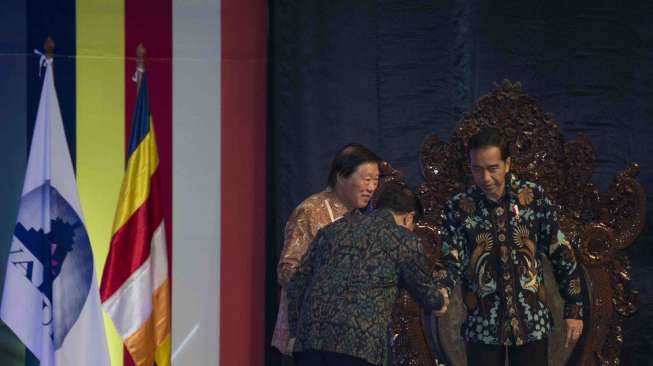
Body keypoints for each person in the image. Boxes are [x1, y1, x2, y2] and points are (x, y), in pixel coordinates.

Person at [437, 128, 584, 366]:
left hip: (531, 320)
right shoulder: (459, 207)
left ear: (507, 164)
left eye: (492, 168)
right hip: (483, 322)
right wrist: (441, 288)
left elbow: (561, 252)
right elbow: (449, 257)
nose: (485, 178)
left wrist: (574, 309)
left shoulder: (532, 197)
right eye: (477, 169)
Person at [287, 183, 450, 366]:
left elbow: (296, 282)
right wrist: (440, 300)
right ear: (409, 217)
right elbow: (425, 293)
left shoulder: (332, 230)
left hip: (308, 342)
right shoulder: (403, 239)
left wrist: (294, 331)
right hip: (358, 345)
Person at [272, 143, 382, 355]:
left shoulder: (362, 221)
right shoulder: (311, 212)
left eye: (376, 180)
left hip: (347, 339)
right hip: (308, 337)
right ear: (341, 177)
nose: (372, 187)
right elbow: (287, 271)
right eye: (367, 179)